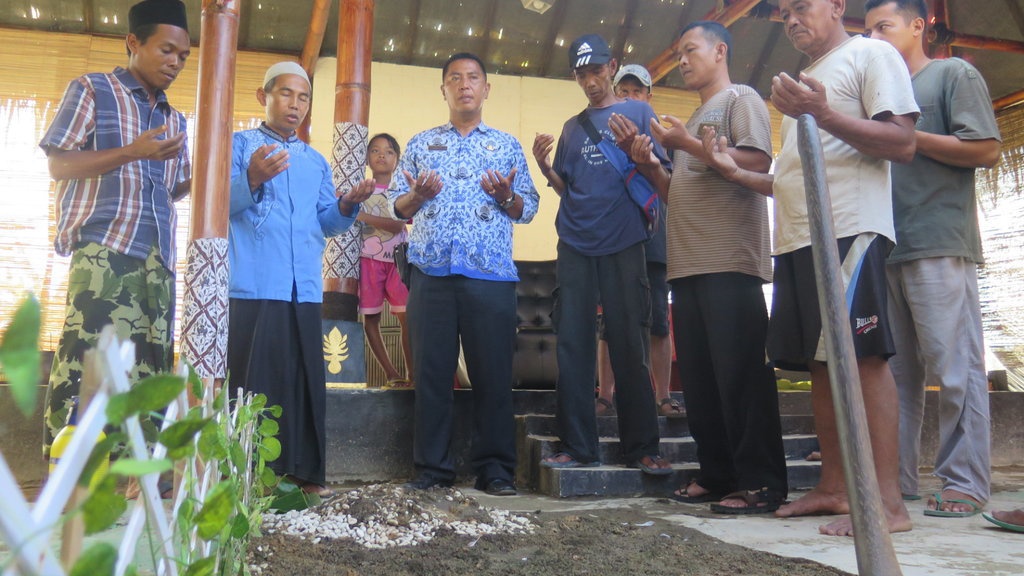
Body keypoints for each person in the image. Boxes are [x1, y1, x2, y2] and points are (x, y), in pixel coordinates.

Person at [699, 0, 919, 535]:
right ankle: (835, 489)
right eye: (785, 14)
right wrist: (734, 172)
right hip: (798, 236)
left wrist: (823, 114)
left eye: (802, 7)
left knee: (863, 358)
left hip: (849, 227)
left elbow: (903, 142)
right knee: (821, 365)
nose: (792, 19)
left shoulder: (871, 54)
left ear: (837, 5)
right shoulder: (804, 81)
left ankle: (888, 504)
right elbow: (790, 178)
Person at [865, 0, 1001, 518]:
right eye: (869, 29)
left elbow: (986, 148)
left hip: (940, 241)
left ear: (919, 26)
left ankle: (965, 483)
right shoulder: (877, 100)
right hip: (887, 248)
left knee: (955, 369)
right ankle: (895, 485)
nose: (875, 36)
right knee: (894, 378)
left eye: (886, 25)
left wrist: (905, 137)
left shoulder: (951, 73)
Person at [645, 21, 787, 513]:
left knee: (741, 377)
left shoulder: (740, 99)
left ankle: (762, 482)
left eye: (691, 50)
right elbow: (677, 195)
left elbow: (757, 161)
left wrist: (682, 145)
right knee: (702, 382)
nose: (682, 60)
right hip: (687, 266)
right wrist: (647, 163)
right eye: (679, 53)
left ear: (720, 50)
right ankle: (718, 472)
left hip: (730, 261)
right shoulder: (695, 117)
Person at [39, 0, 191, 456]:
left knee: (151, 369)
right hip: (104, 249)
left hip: (158, 256)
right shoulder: (92, 90)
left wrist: (211, 176)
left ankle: (136, 481)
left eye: (183, 56)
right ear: (133, 42)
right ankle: (70, 478)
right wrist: (133, 152)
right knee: (89, 364)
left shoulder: (175, 118)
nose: (175, 63)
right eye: (166, 50)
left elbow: (173, 189)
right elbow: (59, 164)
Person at [389, 52, 539, 496]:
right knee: (432, 376)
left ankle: (495, 469)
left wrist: (507, 195)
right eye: (455, 78)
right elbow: (396, 206)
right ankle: (433, 470)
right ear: (444, 89)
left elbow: (527, 209)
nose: (464, 84)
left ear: (486, 88)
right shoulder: (419, 144)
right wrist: (416, 196)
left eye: (473, 77)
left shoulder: (507, 145)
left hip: (490, 277)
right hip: (431, 275)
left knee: (492, 376)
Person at [227, 61, 372, 497]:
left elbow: (327, 223)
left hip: (304, 288)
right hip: (255, 284)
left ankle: (304, 474)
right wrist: (252, 177)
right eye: (286, 94)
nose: (295, 104)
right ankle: (250, 477)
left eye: (303, 97)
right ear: (263, 96)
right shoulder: (239, 145)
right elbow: (216, 206)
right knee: (256, 383)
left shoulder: (314, 161)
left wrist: (347, 204)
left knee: (305, 382)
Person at [533, 34, 673, 475]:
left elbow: (662, 177)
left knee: (629, 342)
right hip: (574, 243)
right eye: (581, 73)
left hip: (624, 242)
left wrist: (643, 155)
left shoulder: (639, 112)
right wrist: (546, 169)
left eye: (596, 71)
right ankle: (577, 446)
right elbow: (568, 189)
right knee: (573, 344)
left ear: (612, 66)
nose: (590, 81)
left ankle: (643, 448)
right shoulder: (574, 128)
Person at [595, 64, 681, 418]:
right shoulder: (599, 135)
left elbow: (674, 187)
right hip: (613, 241)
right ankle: (604, 395)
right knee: (608, 324)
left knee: (659, 320)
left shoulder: (667, 137)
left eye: (637, 92)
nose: (630, 98)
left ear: (648, 97)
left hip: (655, 242)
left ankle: (662, 396)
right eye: (623, 91)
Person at [357, 133, 413, 388]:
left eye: (389, 151)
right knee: (371, 318)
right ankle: (391, 373)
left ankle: (413, 374)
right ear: (367, 157)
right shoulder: (359, 188)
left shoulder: (401, 191)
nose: (382, 155)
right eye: (375, 150)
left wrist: (362, 216)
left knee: (407, 318)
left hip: (398, 260)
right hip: (368, 260)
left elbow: (395, 225)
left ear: (397, 159)